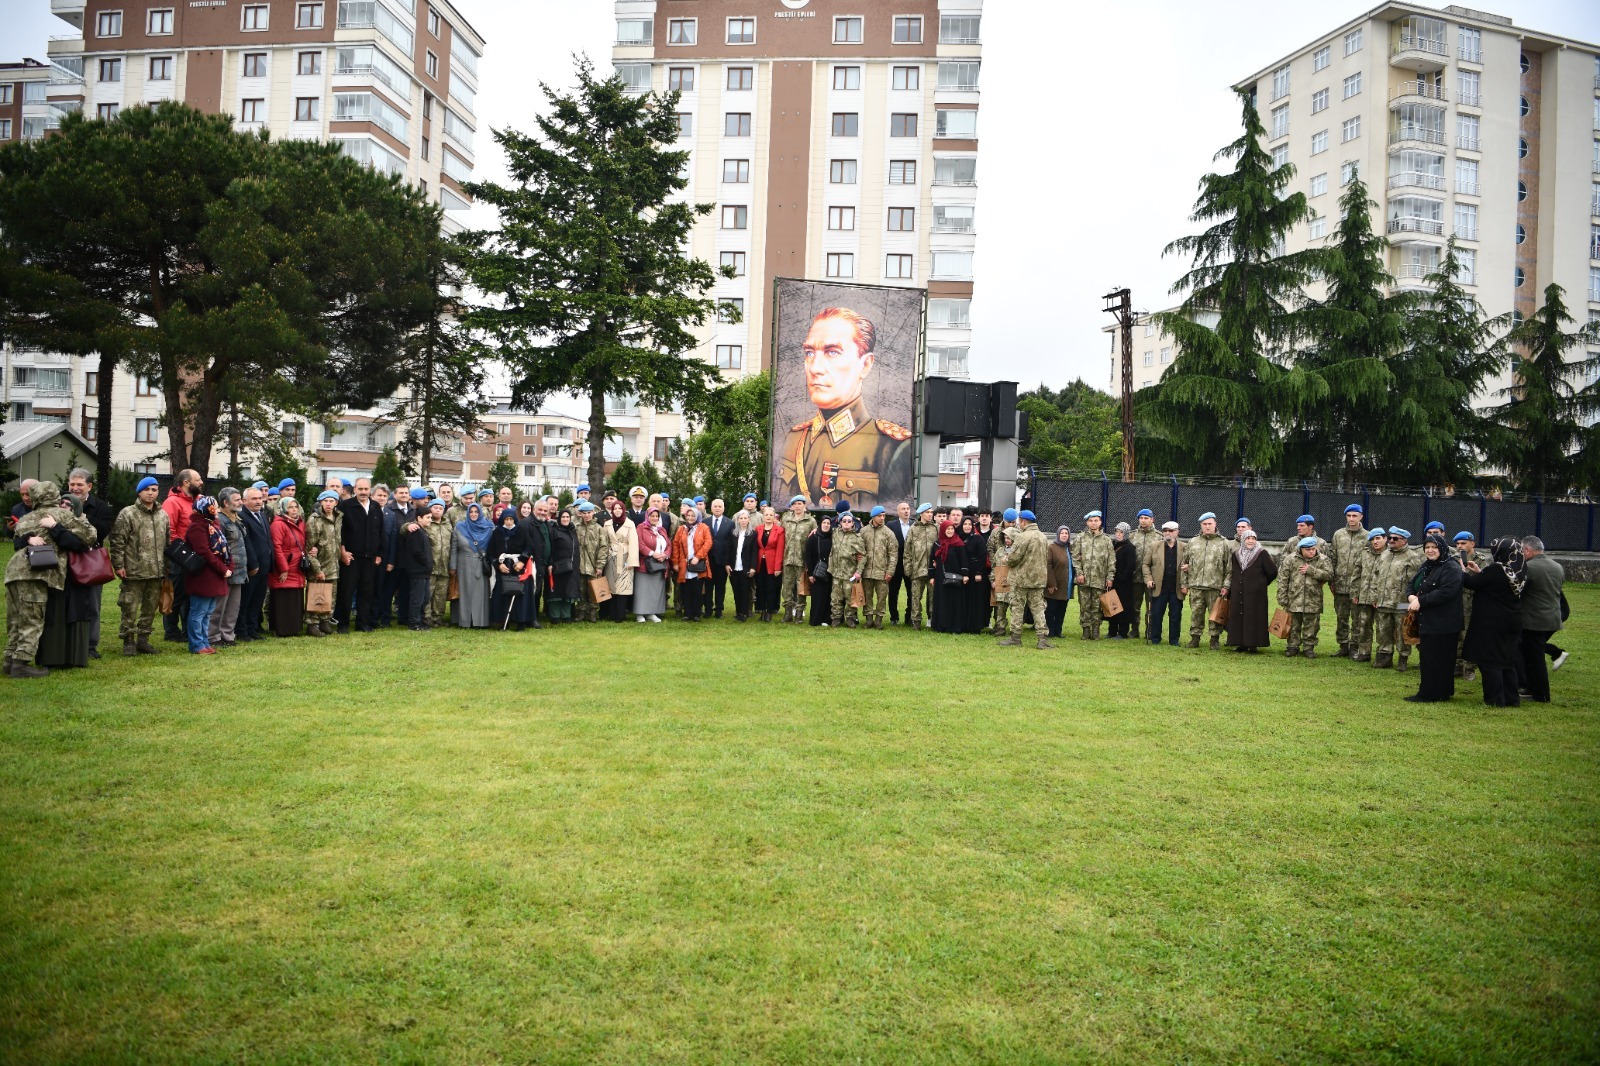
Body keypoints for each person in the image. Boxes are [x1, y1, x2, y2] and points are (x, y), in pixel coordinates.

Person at [776, 306, 912, 511]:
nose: (815, 368)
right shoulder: (795, 438)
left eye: (832, 352)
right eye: (809, 352)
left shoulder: (891, 448)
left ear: (865, 365)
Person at [6, 482, 95, 678]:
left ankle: (9, 660)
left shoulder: (25, 518)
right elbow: (90, 536)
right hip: (37, 573)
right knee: (33, 618)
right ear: (55, 495)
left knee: (15, 618)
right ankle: (21, 664)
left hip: (13, 572)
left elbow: (17, 539)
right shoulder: (62, 515)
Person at [33, 489, 101, 671]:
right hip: (54, 576)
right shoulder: (47, 521)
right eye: (61, 503)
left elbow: (76, 543)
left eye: (68, 504)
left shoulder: (82, 524)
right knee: (54, 615)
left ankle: (74, 657)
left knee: (76, 614)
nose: (63, 506)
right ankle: (52, 657)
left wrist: (55, 527)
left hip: (76, 577)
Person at [109, 475, 170, 656]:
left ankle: (143, 640)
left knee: (150, 608)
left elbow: (167, 543)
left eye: (154, 490)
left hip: (156, 571)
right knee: (129, 607)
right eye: (146, 489)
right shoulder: (128, 513)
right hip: (133, 570)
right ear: (139, 492)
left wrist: (167, 567)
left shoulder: (163, 515)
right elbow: (117, 541)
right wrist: (118, 564)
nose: (150, 493)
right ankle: (128, 640)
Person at [1461, 537, 1525, 707]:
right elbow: (1492, 584)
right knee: (1507, 661)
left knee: (1490, 661)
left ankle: (1495, 699)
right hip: (1512, 619)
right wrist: (1480, 573)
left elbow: (1471, 583)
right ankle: (1511, 698)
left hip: (1492, 622)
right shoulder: (1518, 569)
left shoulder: (1496, 569)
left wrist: (1462, 571)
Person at [1403, 532, 1464, 702]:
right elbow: (1412, 583)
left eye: (1434, 547)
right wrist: (1411, 596)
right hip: (1428, 621)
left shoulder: (1451, 567)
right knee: (1429, 657)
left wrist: (1421, 601)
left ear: (1442, 548)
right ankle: (1434, 692)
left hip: (1444, 623)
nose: (1430, 550)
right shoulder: (1427, 565)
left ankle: (1433, 694)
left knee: (1441, 659)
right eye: (1427, 547)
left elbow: (1447, 592)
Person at [66, 468, 115, 659]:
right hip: (66, 560)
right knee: (66, 603)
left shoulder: (101, 507)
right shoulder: (61, 503)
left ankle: (90, 645)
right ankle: (67, 643)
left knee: (93, 604)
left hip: (91, 561)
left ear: (89, 486)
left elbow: (102, 531)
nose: (75, 488)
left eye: (79, 484)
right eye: (72, 484)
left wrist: (83, 517)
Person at [181, 495, 232, 655]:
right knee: (198, 612)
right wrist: (222, 569)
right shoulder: (197, 527)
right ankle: (197, 644)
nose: (216, 509)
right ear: (205, 508)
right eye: (213, 506)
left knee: (208, 611)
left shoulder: (212, 524)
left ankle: (204, 642)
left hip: (213, 575)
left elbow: (223, 548)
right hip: (203, 576)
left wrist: (227, 565)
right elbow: (204, 551)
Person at [1518, 536, 1564, 703]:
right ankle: (1531, 688)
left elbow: (1518, 590)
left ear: (1527, 550)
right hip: (1552, 617)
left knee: (1534, 658)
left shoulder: (1528, 567)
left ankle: (1540, 694)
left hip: (1534, 619)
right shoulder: (1557, 566)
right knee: (1532, 653)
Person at [336, 476, 385, 633]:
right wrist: (343, 552)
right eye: (360, 489)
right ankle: (343, 624)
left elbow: (380, 531)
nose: (363, 492)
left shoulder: (376, 507)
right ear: (355, 490)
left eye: (366, 489)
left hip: (370, 557)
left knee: (366, 592)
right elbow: (340, 531)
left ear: (370, 490)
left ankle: (362, 624)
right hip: (351, 557)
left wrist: (379, 553)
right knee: (347, 591)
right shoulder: (345, 506)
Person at [997, 510, 1051, 649]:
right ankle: (1042, 639)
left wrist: (1006, 559)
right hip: (1038, 580)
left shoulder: (1022, 537)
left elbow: (1014, 557)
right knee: (1038, 609)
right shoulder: (1043, 537)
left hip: (1021, 580)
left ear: (1023, 521)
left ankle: (1015, 637)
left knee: (1017, 608)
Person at [162, 468, 203, 642]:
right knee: (174, 594)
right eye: (198, 479)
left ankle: (187, 629)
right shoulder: (172, 502)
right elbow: (168, 530)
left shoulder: (198, 500)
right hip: (178, 557)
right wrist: (181, 552)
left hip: (195, 557)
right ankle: (171, 631)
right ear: (186, 482)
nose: (201, 482)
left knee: (190, 595)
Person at [1372, 527, 1421, 672]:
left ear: (1404, 541)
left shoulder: (1412, 557)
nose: (1391, 541)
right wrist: (1375, 596)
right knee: (1383, 630)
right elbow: (1376, 576)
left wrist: (1412, 600)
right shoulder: (1384, 554)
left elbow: (1415, 582)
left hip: (1401, 602)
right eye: (1390, 538)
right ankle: (1385, 657)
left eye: (1395, 539)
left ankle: (1403, 658)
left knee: (1402, 632)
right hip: (1383, 601)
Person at [1223, 529, 1278, 653]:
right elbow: (1233, 571)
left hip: (1256, 593)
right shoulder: (1236, 554)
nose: (1251, 541)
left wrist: (1262, 583)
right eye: (1248, 538)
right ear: (1243, 540)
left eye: (1253, 538)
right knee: (1238, 616)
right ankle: (1240, 643)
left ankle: (1253, 644)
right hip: (1238, 591)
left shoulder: (1262, 553)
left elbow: (1272, 572)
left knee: (1254, 616)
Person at [1183, 513, 1232, 650]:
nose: (1207, 526)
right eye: (1204, 524)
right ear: (1201, 525)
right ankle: (1195, 638)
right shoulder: (1193, 542)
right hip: (1196, 585)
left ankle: (1214, 640)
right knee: (1196, 614)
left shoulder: (1224, 543)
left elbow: (1229, 568)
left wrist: (1226, 585)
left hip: (1215, 587)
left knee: (1215, 614)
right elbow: (1184, 565)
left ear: (1215, 524)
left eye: (1210, 524)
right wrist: (1184, 584)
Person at [1279, 535, 1333, 657]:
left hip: (1313, 599)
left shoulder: (1323, 559)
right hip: (1294, 598)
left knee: (1312, 625)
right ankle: (1292, 646)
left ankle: (1309, 648)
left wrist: (1312, 571)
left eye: (1313, 549)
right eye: (1308, 549)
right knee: (1293, 624)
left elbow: (1330, 575)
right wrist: (1282, 597)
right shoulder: (1290, 559)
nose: (1311, 552)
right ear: (1301, 549)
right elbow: (1283, 579)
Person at [209, 488, 250, 648]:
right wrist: (224, 568)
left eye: (240, 499)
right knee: (219, 607)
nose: (240, 502)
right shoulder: (220, 520)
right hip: (225, 572)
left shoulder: (236, 519)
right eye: (237, 500)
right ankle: (213, 636)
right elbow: (218, 548)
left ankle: (228, 635)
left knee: (233, 607)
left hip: (239, 571)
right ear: (226, 503)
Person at [1329, 504, 1368, 657]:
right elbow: (1333, 558)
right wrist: (1332, 580)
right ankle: (1343, 645)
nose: (1351, 519)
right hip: (1340, 584)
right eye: (1349, 516)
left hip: (1358, 585)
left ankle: (1354, 647)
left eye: (1354, 516)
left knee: (1357, 619)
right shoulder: (1338, 535)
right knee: (1341, 617)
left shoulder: (1367, 536)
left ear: (1361, 517)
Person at [237, 486, 274, 642]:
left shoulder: (262, 515)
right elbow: (247, 543)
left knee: (257, 600)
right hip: (252, 567)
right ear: (244, 501)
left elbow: (267, 540)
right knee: (246, 600)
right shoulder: (242, 517)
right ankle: (241, 630)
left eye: (260, 498)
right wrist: (253, 564)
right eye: (254, 499)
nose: (259, 501)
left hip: (264, 565)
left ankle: (252, 628)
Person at [304, 490, 343, 637]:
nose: (328, 504)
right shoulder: (314, 519)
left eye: (331, 501)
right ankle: (312, 624)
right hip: (319, 563)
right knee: (316, 594)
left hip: (333, 563)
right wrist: (317, 568)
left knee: (331, 594)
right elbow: (310, 547)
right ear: (321, 502)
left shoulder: (339, 517)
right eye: (325, 501)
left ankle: (325, 620)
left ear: (336, 503)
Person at [488, 505, 533, 630]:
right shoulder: (497, 533)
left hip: (518, 566)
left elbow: (529, 547)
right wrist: (498, 565)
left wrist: (522, 561)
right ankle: (503, 620)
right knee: (503, 592)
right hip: (504, 566)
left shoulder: (521, 531)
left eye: (511, 519)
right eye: (506, 519)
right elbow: (491, 552)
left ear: (514, 520)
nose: (508, 522)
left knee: (521, 593)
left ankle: (521, 621)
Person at [268, 499, 308, 638]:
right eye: (290, 507)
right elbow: (276, 547)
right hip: (285, 566)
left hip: (297, 566)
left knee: (294, 598)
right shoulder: (278, 524)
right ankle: (282, 629)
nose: (294, 509)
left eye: (296, 506)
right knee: (283, 599)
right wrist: (284, 568)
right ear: (283, 509)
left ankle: (294, 628)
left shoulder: (300, 523)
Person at [1348, 527, 1388, 662]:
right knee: (1363, 625)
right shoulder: (1364, 553)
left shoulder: (1389, 555)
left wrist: (1379, 597)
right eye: (1372, 539)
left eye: (1378, 538)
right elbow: (1356, 574)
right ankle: (1364, 652)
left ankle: (1383, 654)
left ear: (1385, 539)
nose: (1375, 542)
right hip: (1364, 596)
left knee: (1382, 628)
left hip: (1381, 598)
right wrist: (1355, 593)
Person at [1141, 521, 1184, 647]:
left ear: (1177, 532)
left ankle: (1174, 640)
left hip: (1176, 587)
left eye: (1171, 531)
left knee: (1175, 615)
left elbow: (1191, 565)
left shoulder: (1184, 547)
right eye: (1165, 531)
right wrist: (1148, 579)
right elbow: (1145, 564)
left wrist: (1188, 568)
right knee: (1156, 614)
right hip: (1158, 587)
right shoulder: (1155, 546)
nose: (1167, 533)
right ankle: (1155, 638)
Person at [451, 501, 493, 628]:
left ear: (480, 513)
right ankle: (463, 621)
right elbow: (454, 548)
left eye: (476, 512)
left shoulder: (489, 527)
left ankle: (481, 621)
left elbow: (495, 546)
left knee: (480, 593)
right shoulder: (460, 527)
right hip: (463, 564)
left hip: (482, 564)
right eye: (471, 512)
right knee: (464, 591)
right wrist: (452, 566)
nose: (473, 514)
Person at [1452, 531, 1487, 681]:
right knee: (1456, 634)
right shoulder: (1453, 559)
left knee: (1469, 636)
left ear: (1472, 543)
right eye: (1457, 544)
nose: (1460, 546)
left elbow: (1485, 580)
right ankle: (1457, 664)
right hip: (1456, 602)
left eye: (1463, 543)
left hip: (1472, 603)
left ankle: (1470, 667)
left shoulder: (1481, 560)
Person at [860, 505, 899, 630]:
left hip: (882, 571)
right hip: (867, 571)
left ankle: (878, 620)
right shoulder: (864, 531)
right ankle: (869, 619)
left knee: (882, 597)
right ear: (873, 517)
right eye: (879, 516)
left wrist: (890, 571)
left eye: (883, 516)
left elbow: (893, 554)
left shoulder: (889, 533)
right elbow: (859, 551)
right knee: (867, 596)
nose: (882, 518)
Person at [671, 506, 713, 622]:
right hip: (684, 564)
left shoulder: (703, 527)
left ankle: (696, 613)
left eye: (693, 516)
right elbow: (675, 545)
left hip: (697, 563)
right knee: (685, 590)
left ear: (697, 516)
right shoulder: (681, 529)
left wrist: (698, 557)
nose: (690, 518)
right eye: (688, 516)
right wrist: (675, 562)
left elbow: (708, 543)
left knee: (697, 590)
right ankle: (687, 613)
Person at [929, 519, 971, 634]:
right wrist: (931, 576)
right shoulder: (937, 544)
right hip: (940, 577)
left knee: (955, 602)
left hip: (955, 577)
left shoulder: (958, 543)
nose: (950, 531)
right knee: (942, 601)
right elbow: (932, 560)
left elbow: (964, 560)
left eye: (952, 529)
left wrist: (965, 575)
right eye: (948, 529)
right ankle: (941, 625)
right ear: (943, 530)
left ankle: (955, 626)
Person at [780, 496, 817, 623]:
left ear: (804, 505)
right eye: (795, 504)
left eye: (800, 503)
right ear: (792, 506)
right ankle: (788, 613)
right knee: (787, 588)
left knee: (801, 588)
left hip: (802, 560)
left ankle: (799, 613)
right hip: (788, 559)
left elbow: (814, 541)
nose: (797, 506)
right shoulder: (786, 519)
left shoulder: (810, 521)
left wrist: (810, 562)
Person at [1126, 509, 1162, 640]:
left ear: (1152, 519)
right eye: (1141, 518)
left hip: (1151, 579)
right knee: (1134, 606)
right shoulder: (1132, 536)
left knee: (1151, 606)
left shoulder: (1159, 537)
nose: (1143, 520)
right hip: (1135, 577)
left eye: (1146, 518)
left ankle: (1150, 631)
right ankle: (1134, 630)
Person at [828, 510, 867, 628]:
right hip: (836, 572)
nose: (846, 523)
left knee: (850, 597)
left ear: (852, 523)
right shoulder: (835, 533)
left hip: (850, 573)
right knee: (835, 597)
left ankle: (850, 618)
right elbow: (822, 530)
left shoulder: (857, 538)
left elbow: (863, 556)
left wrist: (858, 572)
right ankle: (836, 618)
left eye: (849, 521)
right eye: (844, 521)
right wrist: (814, 530)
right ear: (840, 522)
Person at [602, 500, 639, 622]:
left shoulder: (630, 524)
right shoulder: (607, 524)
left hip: (625, 558)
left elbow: (633, 543)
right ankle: (612, 613)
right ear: (612, 510)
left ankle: (621, 614)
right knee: (611, 586)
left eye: (619, 508)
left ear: (623, 510)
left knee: (623, 587)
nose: (617, 510)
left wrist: (631, 562)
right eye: (615, 508)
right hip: (610, 557)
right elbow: (604, 541)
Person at [632, 508, 670, 623]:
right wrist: (653, 553)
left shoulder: (661, 530)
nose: (654, 518)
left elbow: (669, 544)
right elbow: (640, 543)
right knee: (642, 590)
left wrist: (665, 554)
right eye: (652, 516)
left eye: (656, 516)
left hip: (659, 564)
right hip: (645, 564)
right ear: (647, 517)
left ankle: (651, 613)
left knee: (655, 590)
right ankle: (640, 614)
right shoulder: (641, 527)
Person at [903, 504, 937, 629]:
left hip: (932, 570)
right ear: (921, 514)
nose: (930, 514)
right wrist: (908, 568)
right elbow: (907, 550)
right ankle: (915, 620)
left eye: (931, 512)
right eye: (927, 512)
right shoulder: (913, 529)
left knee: (933, 597)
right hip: (917, 569)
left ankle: (933, 619)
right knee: (916, 597)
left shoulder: (935, 528)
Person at [545, 509, 582, 623]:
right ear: (559, 518)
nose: (565, 519)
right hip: (557, 567)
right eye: (563, 517)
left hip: (571, 568)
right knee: (556, 592)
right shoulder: (554, 531)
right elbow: (550, 548)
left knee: (568, 591)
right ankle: (555, 616)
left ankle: (566, 615)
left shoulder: (572, 531)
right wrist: (550, 563)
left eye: (567, 517)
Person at [575, 502, 609, 623]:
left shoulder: (599, 529)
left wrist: (600, 565)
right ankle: (581, 611)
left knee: (594, 589)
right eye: (584, 513)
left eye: (589, 513)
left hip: (593, 564)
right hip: (580, 565)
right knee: (581, 589)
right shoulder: (577, 527)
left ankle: (593, 612)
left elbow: (603, 548)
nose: (586, 515)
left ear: (593, 512)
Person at [403, 506, 435, 631]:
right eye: (428, 517)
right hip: (418, 570)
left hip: (423, 571)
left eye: (430, 517)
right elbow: (416, 551)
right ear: (419, 518)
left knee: (424, 598)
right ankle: (414, 623)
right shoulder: (416, 531)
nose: (430, 520)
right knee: (417, 598)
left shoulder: (422, 531)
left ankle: (420, 621)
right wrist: (426, 563)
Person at [754, 506, 786, 622]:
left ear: (774, 517)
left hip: (772, 564)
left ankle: (769, 612)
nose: (768, 517)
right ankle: (762, 611)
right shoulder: (758, 529)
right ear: (763, 516)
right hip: (760, 564)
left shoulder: (780, 530)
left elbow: (780, 549)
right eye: (766, 515)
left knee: (771, 588)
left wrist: (778, 567)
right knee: (760, 588)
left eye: (771, 515)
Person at [1107, 521, 1139, 639]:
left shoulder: (1129, 547)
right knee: (1112, 606)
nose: (1118, 534)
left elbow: (1131, 566)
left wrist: (1121, 578)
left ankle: (1122, 632)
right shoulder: (1112, 545)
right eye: (1117, 531)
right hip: (1112, 581)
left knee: (1123, 607)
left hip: (1124, 583)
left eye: (1121, 532)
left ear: (1125, 533)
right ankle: (1112, 631)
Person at [704, 498, 735, 619]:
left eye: (720, 506)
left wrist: (728, 561)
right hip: (708, 560)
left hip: (722, 561)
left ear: (723, 508)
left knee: (720, 587)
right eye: (715, 506)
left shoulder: (730, 523)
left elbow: (731, 543)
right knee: (708, 587)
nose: (717, 508)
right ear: (711, 508)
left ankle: (719, 610)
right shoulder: (705, 522)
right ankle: (708, 609)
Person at [800, 513, 833, 626]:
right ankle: (815, 620)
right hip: (817, 571)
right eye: (824, 523)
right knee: (817, 596)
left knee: (828, 596)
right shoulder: (813, 537)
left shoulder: (833, 536)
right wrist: (810, 574)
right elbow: (808, 556)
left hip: (830, 571)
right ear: (820, 524)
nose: (826, 525)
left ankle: (826, 620)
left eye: (828, 523)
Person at [425, 498, 453, 626]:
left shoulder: (448, 524)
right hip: (430, 565)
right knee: (428, 592)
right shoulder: (426, 522)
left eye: (440, 508)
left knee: (440, 594)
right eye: (435, 507)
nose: (438, 510)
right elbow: (406, 528)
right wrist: (408, 526)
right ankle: (426, 617)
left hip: (444, 565)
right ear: (430, 509)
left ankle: (437, 617)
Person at [962, 515, 992, 634]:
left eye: (969, 524)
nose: (967, 526)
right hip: (964, 572)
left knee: (975, 599)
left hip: (976, 572)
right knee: (964, 598)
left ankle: (975, 626)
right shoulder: (959, 538)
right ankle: (964, 624)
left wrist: (979, 572)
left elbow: (983, 556)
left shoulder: (978, 538)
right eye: (965, 524)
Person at [1044, 525, 1074, 639]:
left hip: (1067, 585)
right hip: (1054, 585)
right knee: (1051, 609)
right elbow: (1048, 566)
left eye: (1066, 533)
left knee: (1062, 609)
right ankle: (1050, 630)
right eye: (1062, 533)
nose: (1064, 535)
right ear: (1058, 534)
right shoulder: (1051, 547)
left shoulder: (1070, 548)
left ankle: (1058, 631)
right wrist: (1051, 583)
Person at [886, 501, 913, 625]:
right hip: (895, 564)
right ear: (898, 512)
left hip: (910, 564)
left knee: (911, 592)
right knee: (893, 592)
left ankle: (909, 617)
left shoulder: (914, 525)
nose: (906, 511)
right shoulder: (891, 525)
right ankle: (894, 617)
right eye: (903, 509)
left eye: (908, 508)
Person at [730, 509, 759, 622]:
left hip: (746, 567)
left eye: (745, 518)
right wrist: (727, 564)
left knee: (745, 591)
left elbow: (754, 552)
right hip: (734, 567)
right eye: (741, 518)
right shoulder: (733, 533)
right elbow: (729, 550)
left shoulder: (753, 534)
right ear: (737, 520)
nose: (743, 520)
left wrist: (752, 567)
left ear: (749, 520)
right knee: (736, 591)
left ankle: (744, 613)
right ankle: (738, 612)